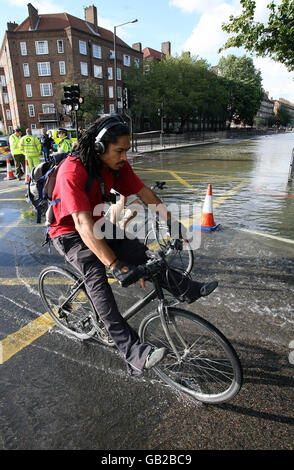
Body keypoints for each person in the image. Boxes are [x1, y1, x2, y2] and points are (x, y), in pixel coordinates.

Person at [48, 114, 218, 376]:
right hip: (69, 232)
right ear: (100, 147)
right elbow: (81, 225)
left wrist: (173, 224)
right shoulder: (72, 171)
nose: (125, 156)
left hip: (97, 224)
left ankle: (185, 288)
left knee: (140, 252)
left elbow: (145, 193)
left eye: (126, 150)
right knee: (97, 278)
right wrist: (115, 265)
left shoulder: (116, 166)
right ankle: (132, 351)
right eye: (120, 150)